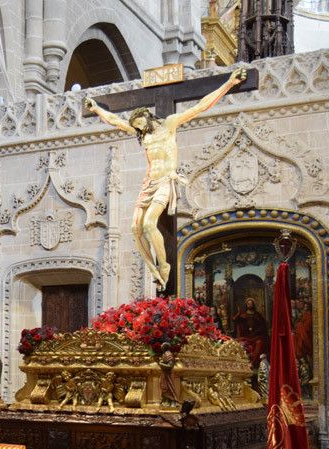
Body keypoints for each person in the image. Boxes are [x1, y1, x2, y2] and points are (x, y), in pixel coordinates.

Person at [84, 68, 247, 287]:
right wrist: (96, 110)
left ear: (146, 116)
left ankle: (164, 265)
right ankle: (152, 266)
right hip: (149, 183)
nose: (138, 128)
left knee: (150, 224)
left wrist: (228, 84)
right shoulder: (143, 134)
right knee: (135, 229)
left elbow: (199, 107)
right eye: (136, 127)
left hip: (165, 182)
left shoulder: (169, 124)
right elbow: (115, 121)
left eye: (140, 123)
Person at [234, 297, 269, 367]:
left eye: (251, 303)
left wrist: (256, 331)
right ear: (246, 305)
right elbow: (235, 320)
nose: (249, 305)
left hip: (256, 336)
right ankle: (242, 363)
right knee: (237, 342)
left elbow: (263, 326)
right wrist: (238, 313)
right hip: (246, 336)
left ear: (253, 305)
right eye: (248, 303)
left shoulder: (258, 315)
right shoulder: (243, 315)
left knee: (259, 343)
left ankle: (253, 363)